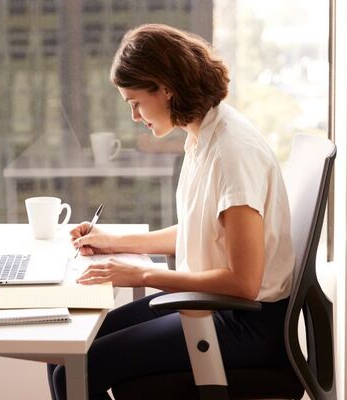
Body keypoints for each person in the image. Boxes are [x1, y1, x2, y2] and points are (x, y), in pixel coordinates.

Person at [47, 23, 295, 400]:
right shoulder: (203, 135)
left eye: (135, 103)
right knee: (64, 353)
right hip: (214, 307)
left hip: (244, 322)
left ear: (164, 88)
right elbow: (202, 231)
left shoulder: (232, 153)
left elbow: (243, 281)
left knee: (76, 371)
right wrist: (111, 242)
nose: (134, 116)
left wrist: (142, 273)